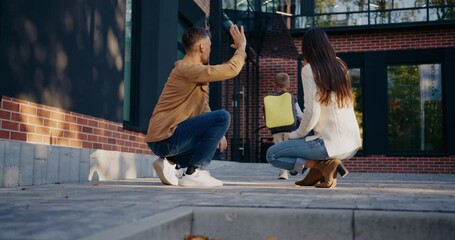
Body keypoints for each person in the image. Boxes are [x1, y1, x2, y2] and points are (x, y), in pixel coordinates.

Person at [145, 25, 247, 187]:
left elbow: (203, 106)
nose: (209, 51)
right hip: (167, 137)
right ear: (202, 47)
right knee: (223, 116)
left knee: (214, 146)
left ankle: (171, 163)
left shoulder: (192, 72)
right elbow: (231, 70)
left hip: (163, 139)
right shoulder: (188, 69)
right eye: (210, 47)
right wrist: (241, 48)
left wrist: (219, 133)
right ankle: (194, 172)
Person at [266, 28, 361, 188]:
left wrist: (295, 134)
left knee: (273, 154)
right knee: (302, 141)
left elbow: (312, 112)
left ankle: (321, 166)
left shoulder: (309, 69)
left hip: (328, 144)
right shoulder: (340, 65)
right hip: (352, 145)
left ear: (307, 48)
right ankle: (322, 168)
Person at [269, 73, 303, 180]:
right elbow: (299, 114)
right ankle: (294, 166)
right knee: (290, 149)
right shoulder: (292, 98)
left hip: (275, 129)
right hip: (290, 128)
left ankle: (283, 172)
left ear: (274, 85)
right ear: (289, 85)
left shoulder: (270, 98)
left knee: (279, 151)